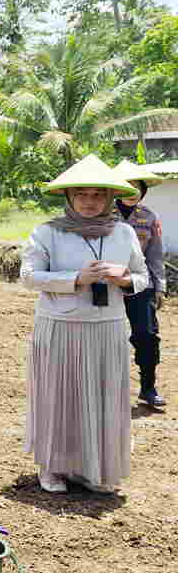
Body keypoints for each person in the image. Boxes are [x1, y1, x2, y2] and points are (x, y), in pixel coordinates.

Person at [20, 154, 145, 494]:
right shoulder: (47, 232)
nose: (89, 202)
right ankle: (53, 468)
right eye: (81, 195)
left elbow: (142, 276)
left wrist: (125, 279)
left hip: (108, 327)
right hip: (61, 325)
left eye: (97, 195)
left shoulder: (123, 232)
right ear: (69, 197)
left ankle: (91, 470)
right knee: (58, 397)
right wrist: (75, 278)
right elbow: (29, 276)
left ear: (108, 198)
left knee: (103, 398)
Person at [112, 160, 167, 408]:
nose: (131, 192)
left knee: (146, 335)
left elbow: (155, 254)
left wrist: (160, 287)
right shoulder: (101, 215)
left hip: (140, 283)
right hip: (107, 284)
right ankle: (107, 390)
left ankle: (148, 388)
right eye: (126, 187)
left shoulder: (149, 217)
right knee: (107, 337)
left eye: (137, 187)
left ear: (143, 190)